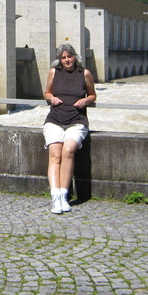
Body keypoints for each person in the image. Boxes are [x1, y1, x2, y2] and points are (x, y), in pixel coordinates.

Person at [43, 43, 96, 214]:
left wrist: (85, 101)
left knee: (68, 150)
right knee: (55, 155)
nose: (67, 60)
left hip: (77, 119)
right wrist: (51, 99)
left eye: (69, 56)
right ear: (60, 59)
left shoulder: (84, 74)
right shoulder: (54, 73)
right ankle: (55, 196)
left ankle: (64, 195)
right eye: (63, 57)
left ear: (75, 57)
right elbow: (47, 93)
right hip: (55, 119)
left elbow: (93, 95)